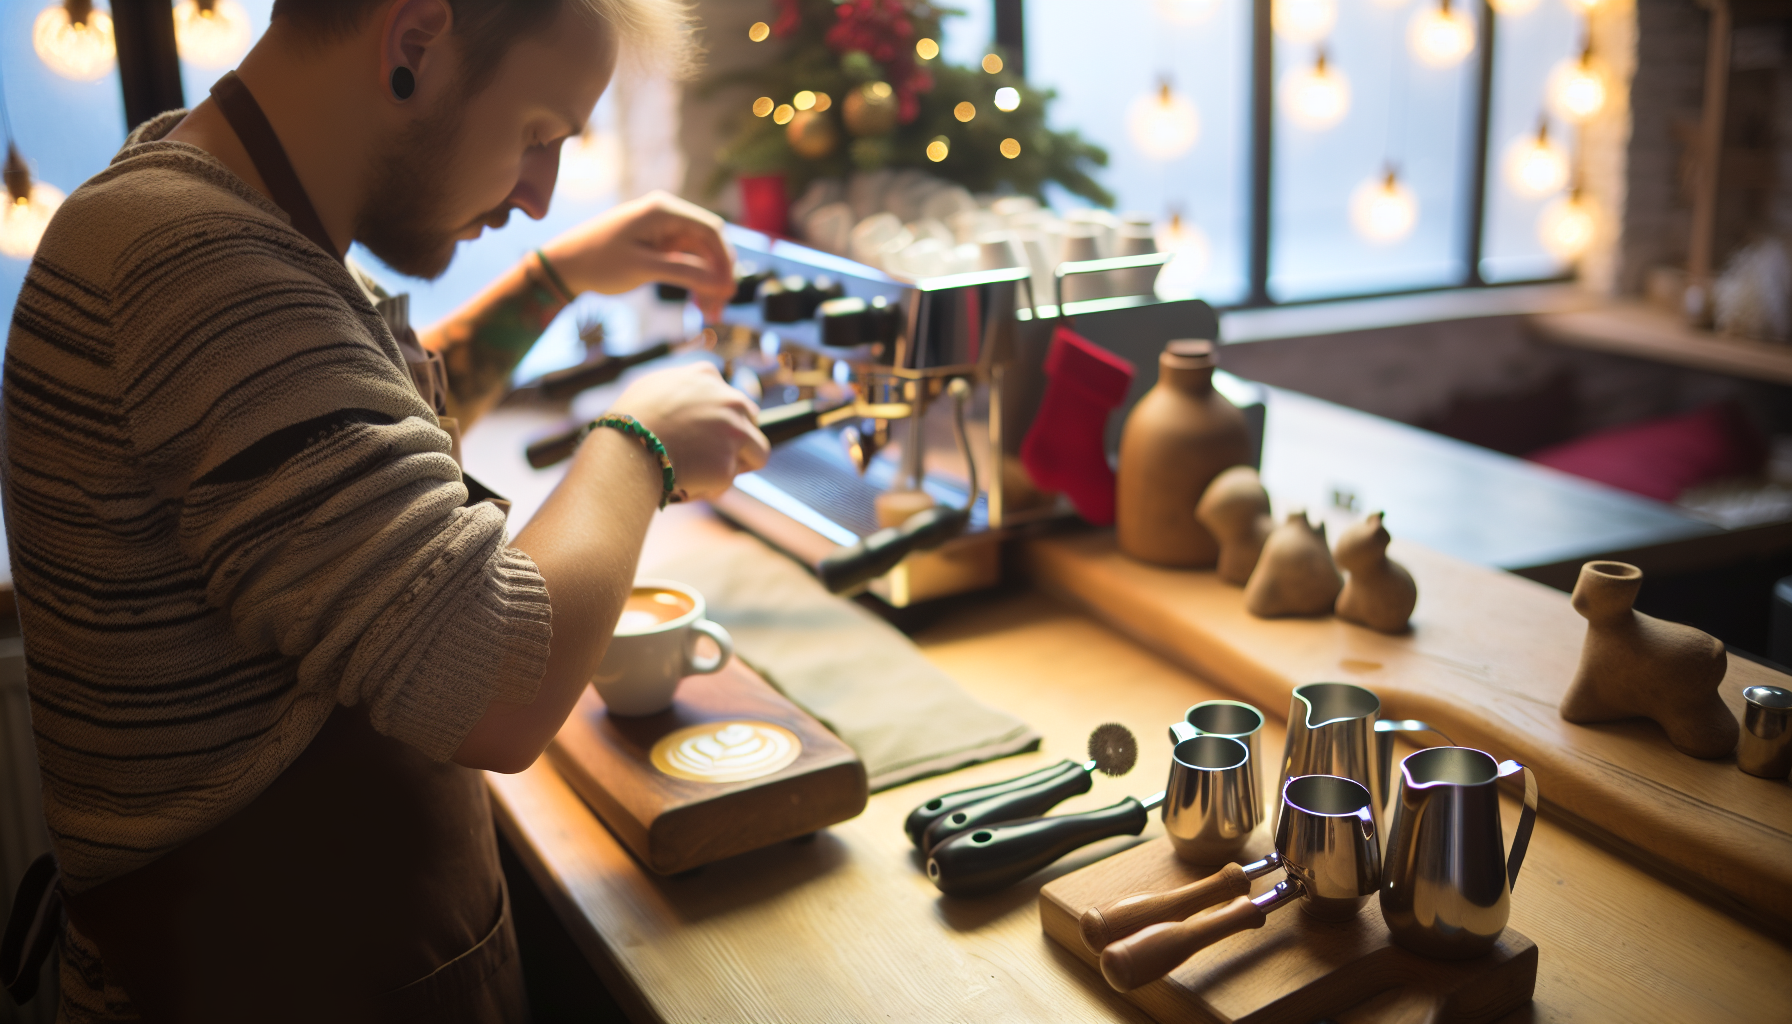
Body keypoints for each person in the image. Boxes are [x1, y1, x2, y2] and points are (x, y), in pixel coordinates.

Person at [1, 0, 767, 1020]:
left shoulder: (194, 195)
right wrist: (641, 444)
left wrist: (554, 281)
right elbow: (496, 682)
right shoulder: (197, 262)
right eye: (537, 134)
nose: (539, 194)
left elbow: (356, 438)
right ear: (413, 44)